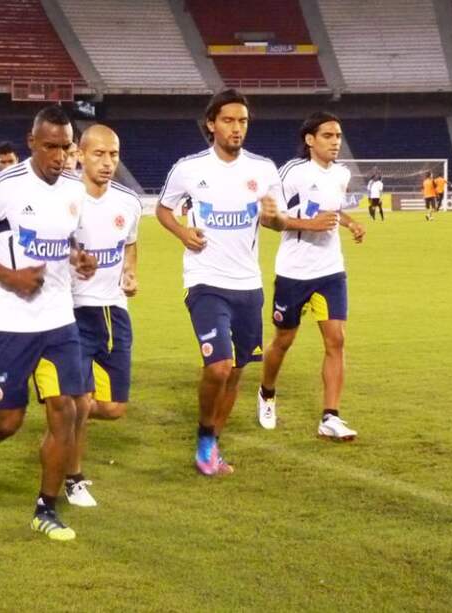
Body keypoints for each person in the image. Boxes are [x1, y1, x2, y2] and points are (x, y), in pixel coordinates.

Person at [0, 105, 96, 541]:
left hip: (58, 318)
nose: (58, 155)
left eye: (65, 147)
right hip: (12, 321)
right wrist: (9, 276)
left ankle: (45, 508)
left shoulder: (75, 189)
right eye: (50, 146)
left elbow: (69, 239)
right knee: (8, 421)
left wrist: (79, 259)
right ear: (32, 142)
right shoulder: (4, 186)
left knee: (65, 410)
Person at [155, 89, 287, 477]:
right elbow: (163, 210)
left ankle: (212, 444)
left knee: (237, 369)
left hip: (248, 284)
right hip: (205, 280)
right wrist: (182, 232)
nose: (236, 128)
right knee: (218, 366)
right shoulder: (189, 168)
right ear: (211, 123)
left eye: (242, 121)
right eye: (228, 120)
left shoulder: (263, 169)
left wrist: (272, 216)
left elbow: (276, 221)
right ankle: (204, 438)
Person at [257, 112, 366, 440]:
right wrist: (309, 225)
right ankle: (266, 392)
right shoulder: (292, 173)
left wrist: (350, 223)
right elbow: (269, 219)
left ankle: (330, 417)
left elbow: (330, 209)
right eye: (328, 136)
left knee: (337, 340)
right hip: (294, 273)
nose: (336, 142)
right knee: (284, 340)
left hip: (331, 270)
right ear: (310, 140)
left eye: (338, 136)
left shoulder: (342, 174)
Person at [62, 124, 141, 508]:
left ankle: (59, 412)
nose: (108, 162)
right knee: (80, 399)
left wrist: (129, 273)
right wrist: (73, 258)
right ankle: (73, 479)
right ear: (79, 154)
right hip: (71, 312)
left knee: (113, 408)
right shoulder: (64, 199)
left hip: (114, 313)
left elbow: (130, 245)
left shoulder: (127, 203)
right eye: (99, 154)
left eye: (113, 154)